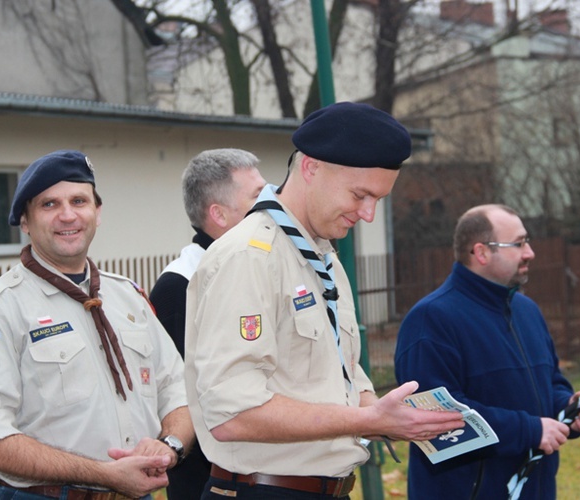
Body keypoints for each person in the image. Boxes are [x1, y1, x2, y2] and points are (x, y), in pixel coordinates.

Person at [184, 101, 465, 499]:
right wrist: (364, 417)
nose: (368, 214)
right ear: (311, 167)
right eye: (360, 194)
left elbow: (340, 379)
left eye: (378, 200)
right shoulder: (250, 255)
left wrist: (387, 415)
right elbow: (232, 414)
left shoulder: (321, 256)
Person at [0, 150, 195, 500]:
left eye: (79, 201)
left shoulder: (128, 297)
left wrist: (167, 446)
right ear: (25, 221)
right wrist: (105, 474)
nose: (67, 215)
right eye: (49, 204)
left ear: (97, 213)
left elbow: (179, 391)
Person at [394, 204, 580, 499]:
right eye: (518, 243)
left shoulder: (527, 311)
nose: (529, 252)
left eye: (526, 241)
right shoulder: (431, 320)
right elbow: (436, 420)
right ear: (481, 253)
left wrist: (567, 407)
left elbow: (550, 381)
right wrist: (530, 430)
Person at [149, 148, 265, 499]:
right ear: (219, 214)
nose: (273, 206)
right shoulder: (179, 287)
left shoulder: (257, 267)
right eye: (259, 197)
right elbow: (186, 400)